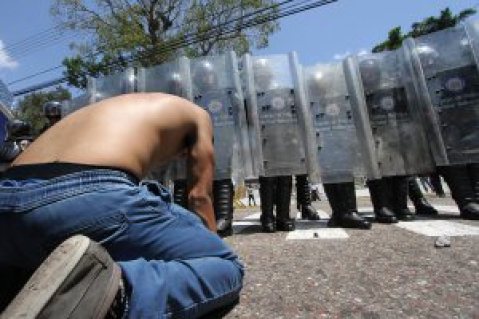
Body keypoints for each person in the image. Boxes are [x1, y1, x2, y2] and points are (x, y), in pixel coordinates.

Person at [0, 93, 244, 318]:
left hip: (5, 202)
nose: (178, 158)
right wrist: (209, 245)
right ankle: (112, 295)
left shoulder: (107, 110)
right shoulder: (199, 115)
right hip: (87, 192)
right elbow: (199, 196)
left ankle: (18, 284)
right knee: (226, 267)